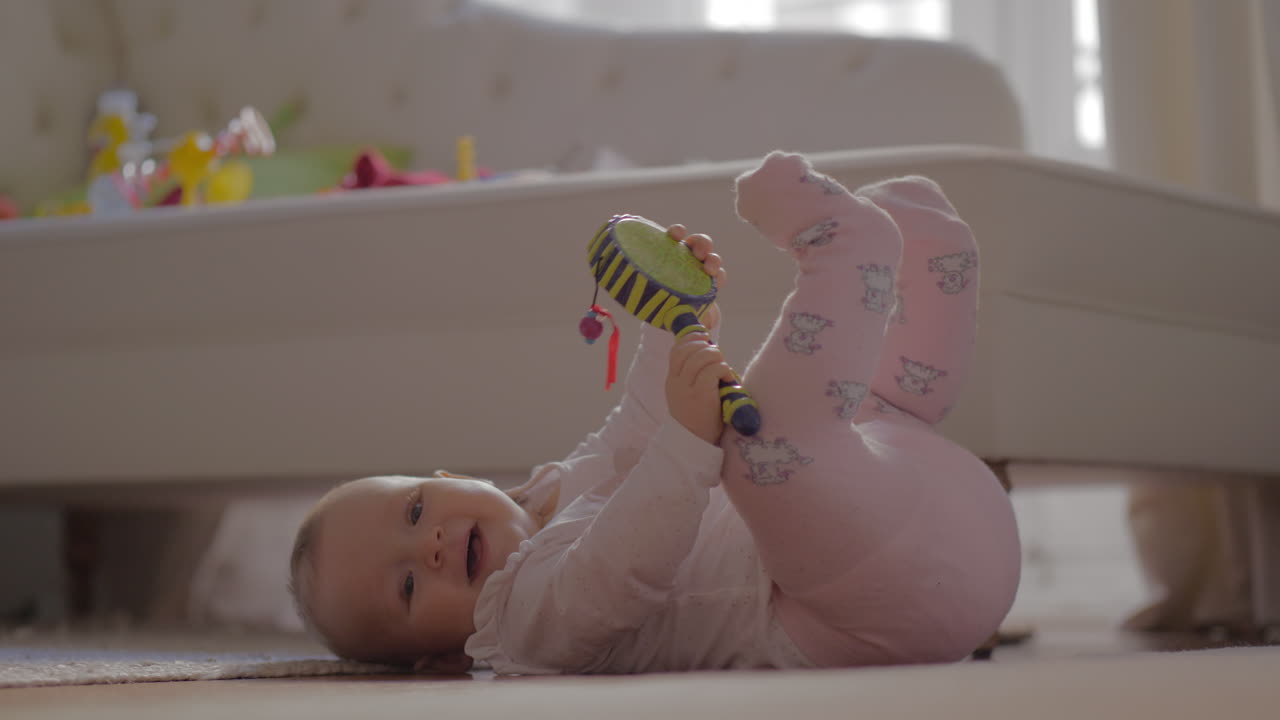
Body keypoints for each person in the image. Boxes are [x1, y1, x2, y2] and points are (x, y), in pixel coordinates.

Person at [288, 151, 1021, 674]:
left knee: (879, 410)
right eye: (408, 585)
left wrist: (673, 316)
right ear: (443, 660)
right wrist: (687, 435)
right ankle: (850, 250)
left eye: (415, 512)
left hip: (931, 514)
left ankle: (935, 253)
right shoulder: (519, 628)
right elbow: (623, 564)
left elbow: (634, 428)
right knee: (757, 453)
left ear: (447, 475)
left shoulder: (550, 492)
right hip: (864, 613)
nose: (434, 547)